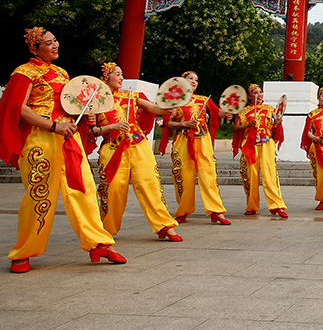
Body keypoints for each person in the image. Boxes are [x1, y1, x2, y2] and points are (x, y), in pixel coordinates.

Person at [0, 27, 125, 272]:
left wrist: (85, 117)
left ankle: (99, 243)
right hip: (40, 138)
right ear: (34, 49)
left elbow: (71, 105)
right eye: (48, 43)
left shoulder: (61, 73)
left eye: (55, 41)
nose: (55, 45)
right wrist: (53, 126)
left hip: (69, 139)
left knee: (84, 189)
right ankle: (23, 252)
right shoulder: (24, 72)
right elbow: (18, 109)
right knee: (39, 194)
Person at [91, 62, 181, 242]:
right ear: (104, 78)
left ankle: (164, 225)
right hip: (112, 147)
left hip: (138, 145)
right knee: (113, 189)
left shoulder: (131, 95)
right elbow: (91, 130)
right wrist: (112, 126)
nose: (121, 77)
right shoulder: (95, 100)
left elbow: (153, 108)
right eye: (116, 73)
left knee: (150, 184)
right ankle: (107, 228)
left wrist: (167, 108)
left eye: (121, 73)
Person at [159, 70, 232, 225]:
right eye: (190, 78)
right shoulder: (174, 101)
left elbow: (218, 113)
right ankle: (183, 210)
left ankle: (216, 211)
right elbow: (167, 123)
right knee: (184, 176)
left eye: (196, 80)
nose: (193, 81)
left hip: (203, 140)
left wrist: (229, 111)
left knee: (209, 175)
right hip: (183, 140)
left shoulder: (203, 100)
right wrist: (183, 124)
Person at [233, 83, 288, 218]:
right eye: (255, 92)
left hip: (266, 144)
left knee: (270, 174)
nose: (259, 95)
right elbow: (236, 129)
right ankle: (251, 205)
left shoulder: (270, 109)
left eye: (260, 92)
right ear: (249, 95)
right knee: (251, 176)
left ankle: (276, 205)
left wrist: (278, 122)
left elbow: (275, 129)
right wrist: (248, 125)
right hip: (250, 145)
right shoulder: (244, 112)